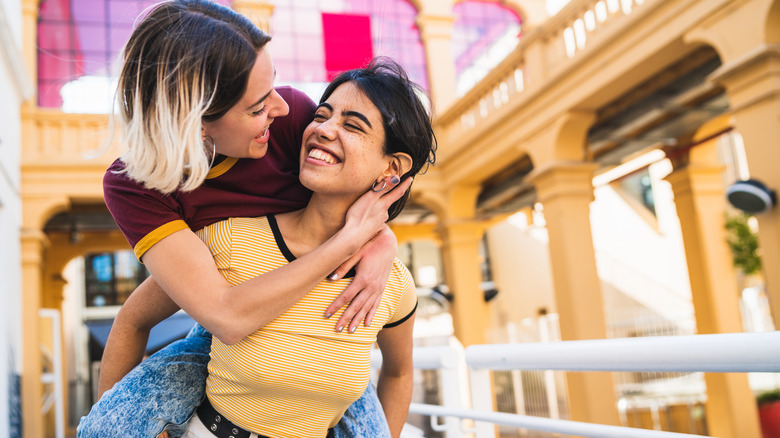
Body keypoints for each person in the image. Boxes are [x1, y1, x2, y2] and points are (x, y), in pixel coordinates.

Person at [76, 1, 414, 437]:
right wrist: (349, 243)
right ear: (197, 124)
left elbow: (360, 178)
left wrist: (381, 237)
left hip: (322, 343)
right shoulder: (135, 186)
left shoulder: (290, 120)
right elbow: (222, 316)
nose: (279, 107)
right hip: (226, 325)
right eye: (256, 107)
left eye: (272, 85)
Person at [184, 57, 436, 438]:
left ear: (392, 168)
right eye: (321, 115)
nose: (323, 129)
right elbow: (134, 320)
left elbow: (399, 372)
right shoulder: (230, 238)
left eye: (352, 125)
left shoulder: (392, 284)